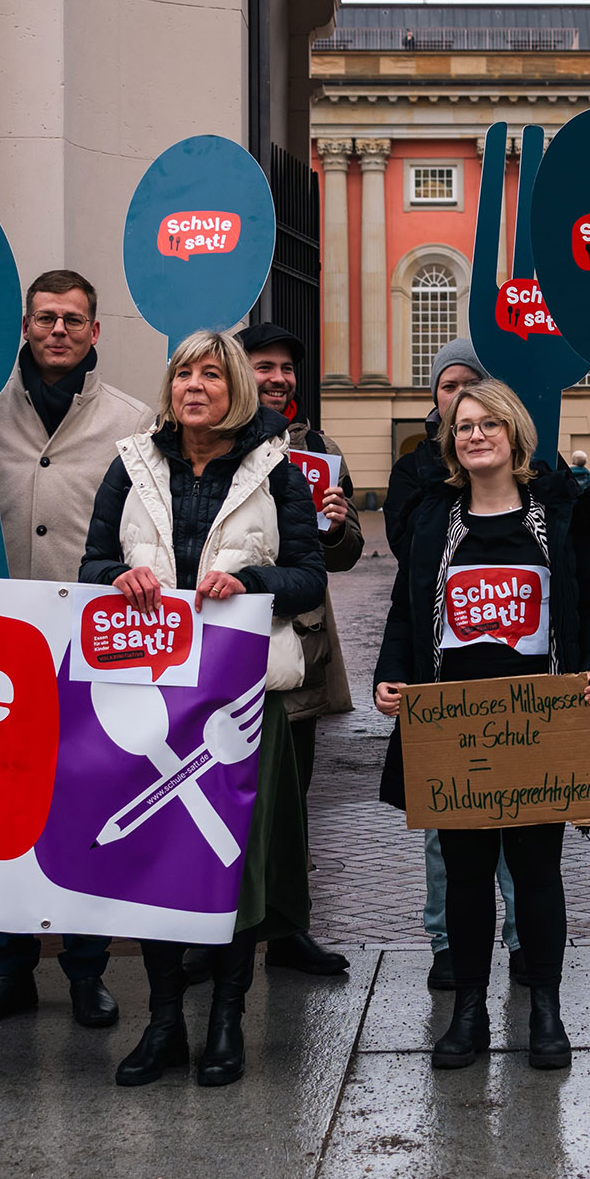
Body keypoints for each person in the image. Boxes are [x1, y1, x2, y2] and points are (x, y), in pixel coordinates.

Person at [79, 330, 327, 1088]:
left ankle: (226, 1017)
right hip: (151, 694)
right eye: (184, 371)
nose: (195, 385)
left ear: (237, 390)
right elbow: (90, 564)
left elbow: (309, 577)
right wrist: (118, 576)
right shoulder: (131, 464)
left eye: (212, 374)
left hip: (241, 701)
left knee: (235, 867)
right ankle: (162, 1023)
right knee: (160, 868)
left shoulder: (276, 469)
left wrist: (252, 581)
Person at [373, 379, 590, 1069]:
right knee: (465, 872)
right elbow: (404, 611)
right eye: (463, 425)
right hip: (453, 724)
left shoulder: (557, 515)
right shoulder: (433, 518)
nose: (475, 435)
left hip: (538, 721)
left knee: (539, 872)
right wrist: (387, 679)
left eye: (489, 424)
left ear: (516, 434)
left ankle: (545, 1008)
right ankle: (469, 1011)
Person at [0, 269, 149, 1031]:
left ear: (96, 332)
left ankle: (88, 969)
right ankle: (8, 967)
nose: (58, 330)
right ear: (24, 328)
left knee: (84, 812)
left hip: (89, 653)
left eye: (73, 319)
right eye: (45, 318)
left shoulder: (134, 422)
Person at [381, 336, 521, 991]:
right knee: (446, 827)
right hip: (444, 679)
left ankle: (523, 939)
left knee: (521, 824)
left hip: (515, 683)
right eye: (447, 387)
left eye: (471, 387)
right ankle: (447, 942)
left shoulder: (524, 485)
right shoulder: (417, 472)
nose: (459, 398)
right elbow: (408, 572)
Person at [230, 320, 360, 979]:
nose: (279, 377)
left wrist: (335, 524)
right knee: (222, 793)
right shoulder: (206, 438)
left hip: (298, 647)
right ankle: (215, 934)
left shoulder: (317, 447)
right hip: (223, 646)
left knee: (291, 801)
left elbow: (350, 549)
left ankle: (286, 932)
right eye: (264, 366)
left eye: (286, 367)